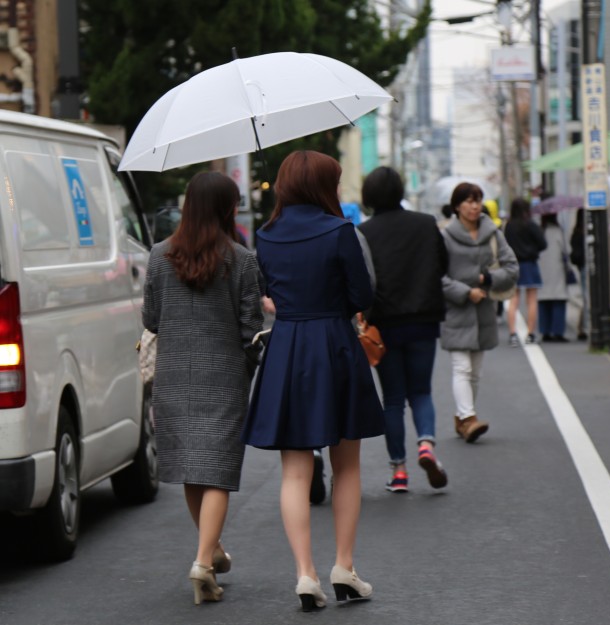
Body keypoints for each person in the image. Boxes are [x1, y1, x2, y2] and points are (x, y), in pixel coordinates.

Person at [242, 150, 384, 612]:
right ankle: (344, 565)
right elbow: (362, 294)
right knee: (346, 464)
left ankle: (305, 573)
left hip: (287, 349)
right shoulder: (339, 230)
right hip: (336, 346)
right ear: (324, 186)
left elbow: (268, 291)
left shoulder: (265, 236)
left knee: (295, 471)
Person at [141, 171, 263, 606]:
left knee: (196, 467)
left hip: (174, 375)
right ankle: (202, 561)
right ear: (227, 209)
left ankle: (211, 550)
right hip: (225, 376)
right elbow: (251, 328)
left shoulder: (158, 256)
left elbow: (152, 318)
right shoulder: (242, 260)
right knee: (217, 469)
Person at [357, 166, 449, 493]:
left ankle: (399, 470)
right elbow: (443, 265)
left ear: (368, 196)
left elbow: (362, 279)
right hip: (424, 319)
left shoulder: (364, 232)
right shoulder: (425, 224)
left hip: (385, 325)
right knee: (421, 391)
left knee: (393, 398)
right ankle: (427, 445)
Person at [441, 182, 518, 443]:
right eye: (468, 201)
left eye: (478, 200)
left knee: (475, 372)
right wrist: (465, 291)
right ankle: (469, 417)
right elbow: (436, 276)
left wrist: (487, 280)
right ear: (456, 206)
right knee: (461, 367)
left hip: (484, 310)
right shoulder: (445, 236)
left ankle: (463, 419)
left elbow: (511, 267)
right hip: (456, 310)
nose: (474, 206)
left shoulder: (493, 233)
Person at [504, 198, 547, 345]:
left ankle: (512, 334)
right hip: (529, 263)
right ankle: (530, 333)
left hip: (513, 265)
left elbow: (505, 246)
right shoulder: (530, 224)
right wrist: (532, 250)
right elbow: (543, 243)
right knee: (531, 300)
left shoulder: (509, 226)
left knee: (513, 300)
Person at [537, 212, 576, 342]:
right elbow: (567, 250)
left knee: (543, 301)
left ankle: (545, 331)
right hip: (557, 269)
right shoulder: (558, 231)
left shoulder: (539, 231)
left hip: (541, 270)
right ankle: (558, 332)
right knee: (558, 300)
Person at [569, 208, 588, 341]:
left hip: (582, 267)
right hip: (587, 267)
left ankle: (582, 327)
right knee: (588, 298)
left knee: (586, 298)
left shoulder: (576, 232)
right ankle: (584, 326)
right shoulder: (586, 232)